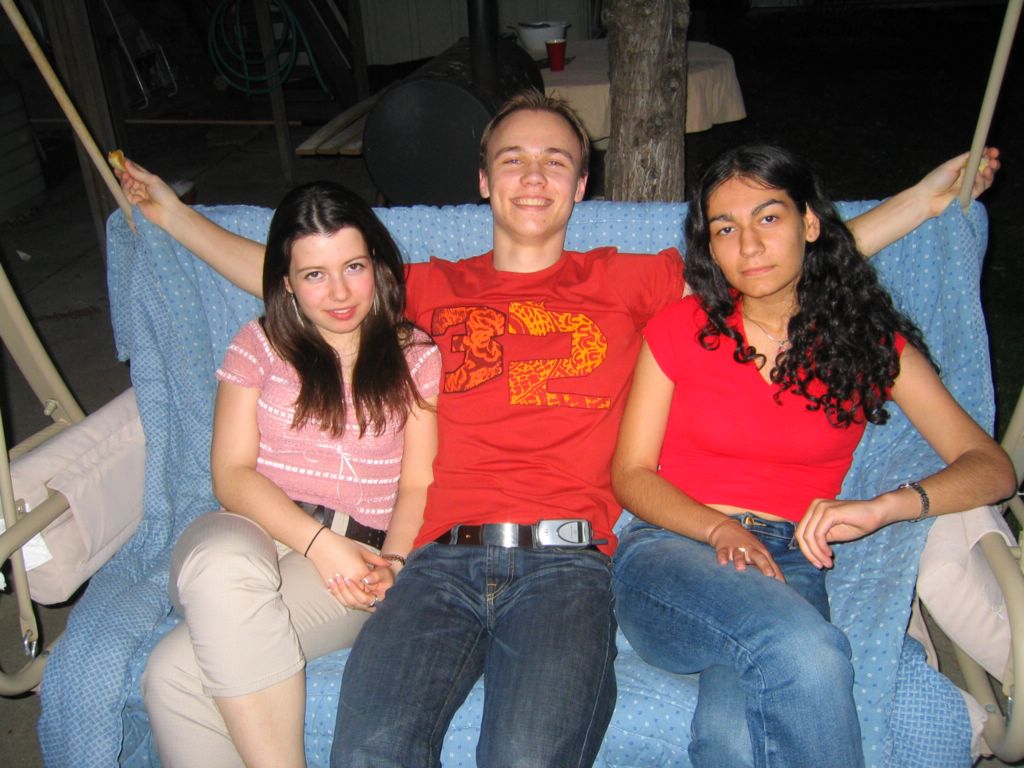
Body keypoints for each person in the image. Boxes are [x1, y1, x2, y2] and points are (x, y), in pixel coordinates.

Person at [119, 91, 999, 767]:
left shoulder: (632, 281)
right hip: (438, 558)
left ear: (582, 186)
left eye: (555, 161)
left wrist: (922, 204)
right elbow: (298, 277)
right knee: (370, 752)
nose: (533, 176)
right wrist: (173, 218)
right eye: (512, 159)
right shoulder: (427, 288)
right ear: (484, 181)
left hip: (571, 562)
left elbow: (771, 264)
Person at [609, 144, 1015, 768]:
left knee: (733, 739)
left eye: (768, 218)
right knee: (809, 651)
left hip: (791, 560)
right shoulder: (682, 327)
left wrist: (885, 507)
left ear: (810, 224)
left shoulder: (865, 343)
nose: (749, 245)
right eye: (725, 229)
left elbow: (991, 468)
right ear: (711, 247)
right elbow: (631, 475)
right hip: (672, 548)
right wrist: (716, 528)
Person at [139, 181, 441, 768]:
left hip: (355, 557)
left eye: (353, 267)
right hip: (249, 525)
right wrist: (318, 544)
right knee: (221, 563)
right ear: (286, 283)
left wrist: (395, 563)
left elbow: (417, 484)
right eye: (314, 275)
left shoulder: (415, 357)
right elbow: (231, 474)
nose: (339, 293)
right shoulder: (257, 343)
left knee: (173, 674)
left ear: (377, 266)